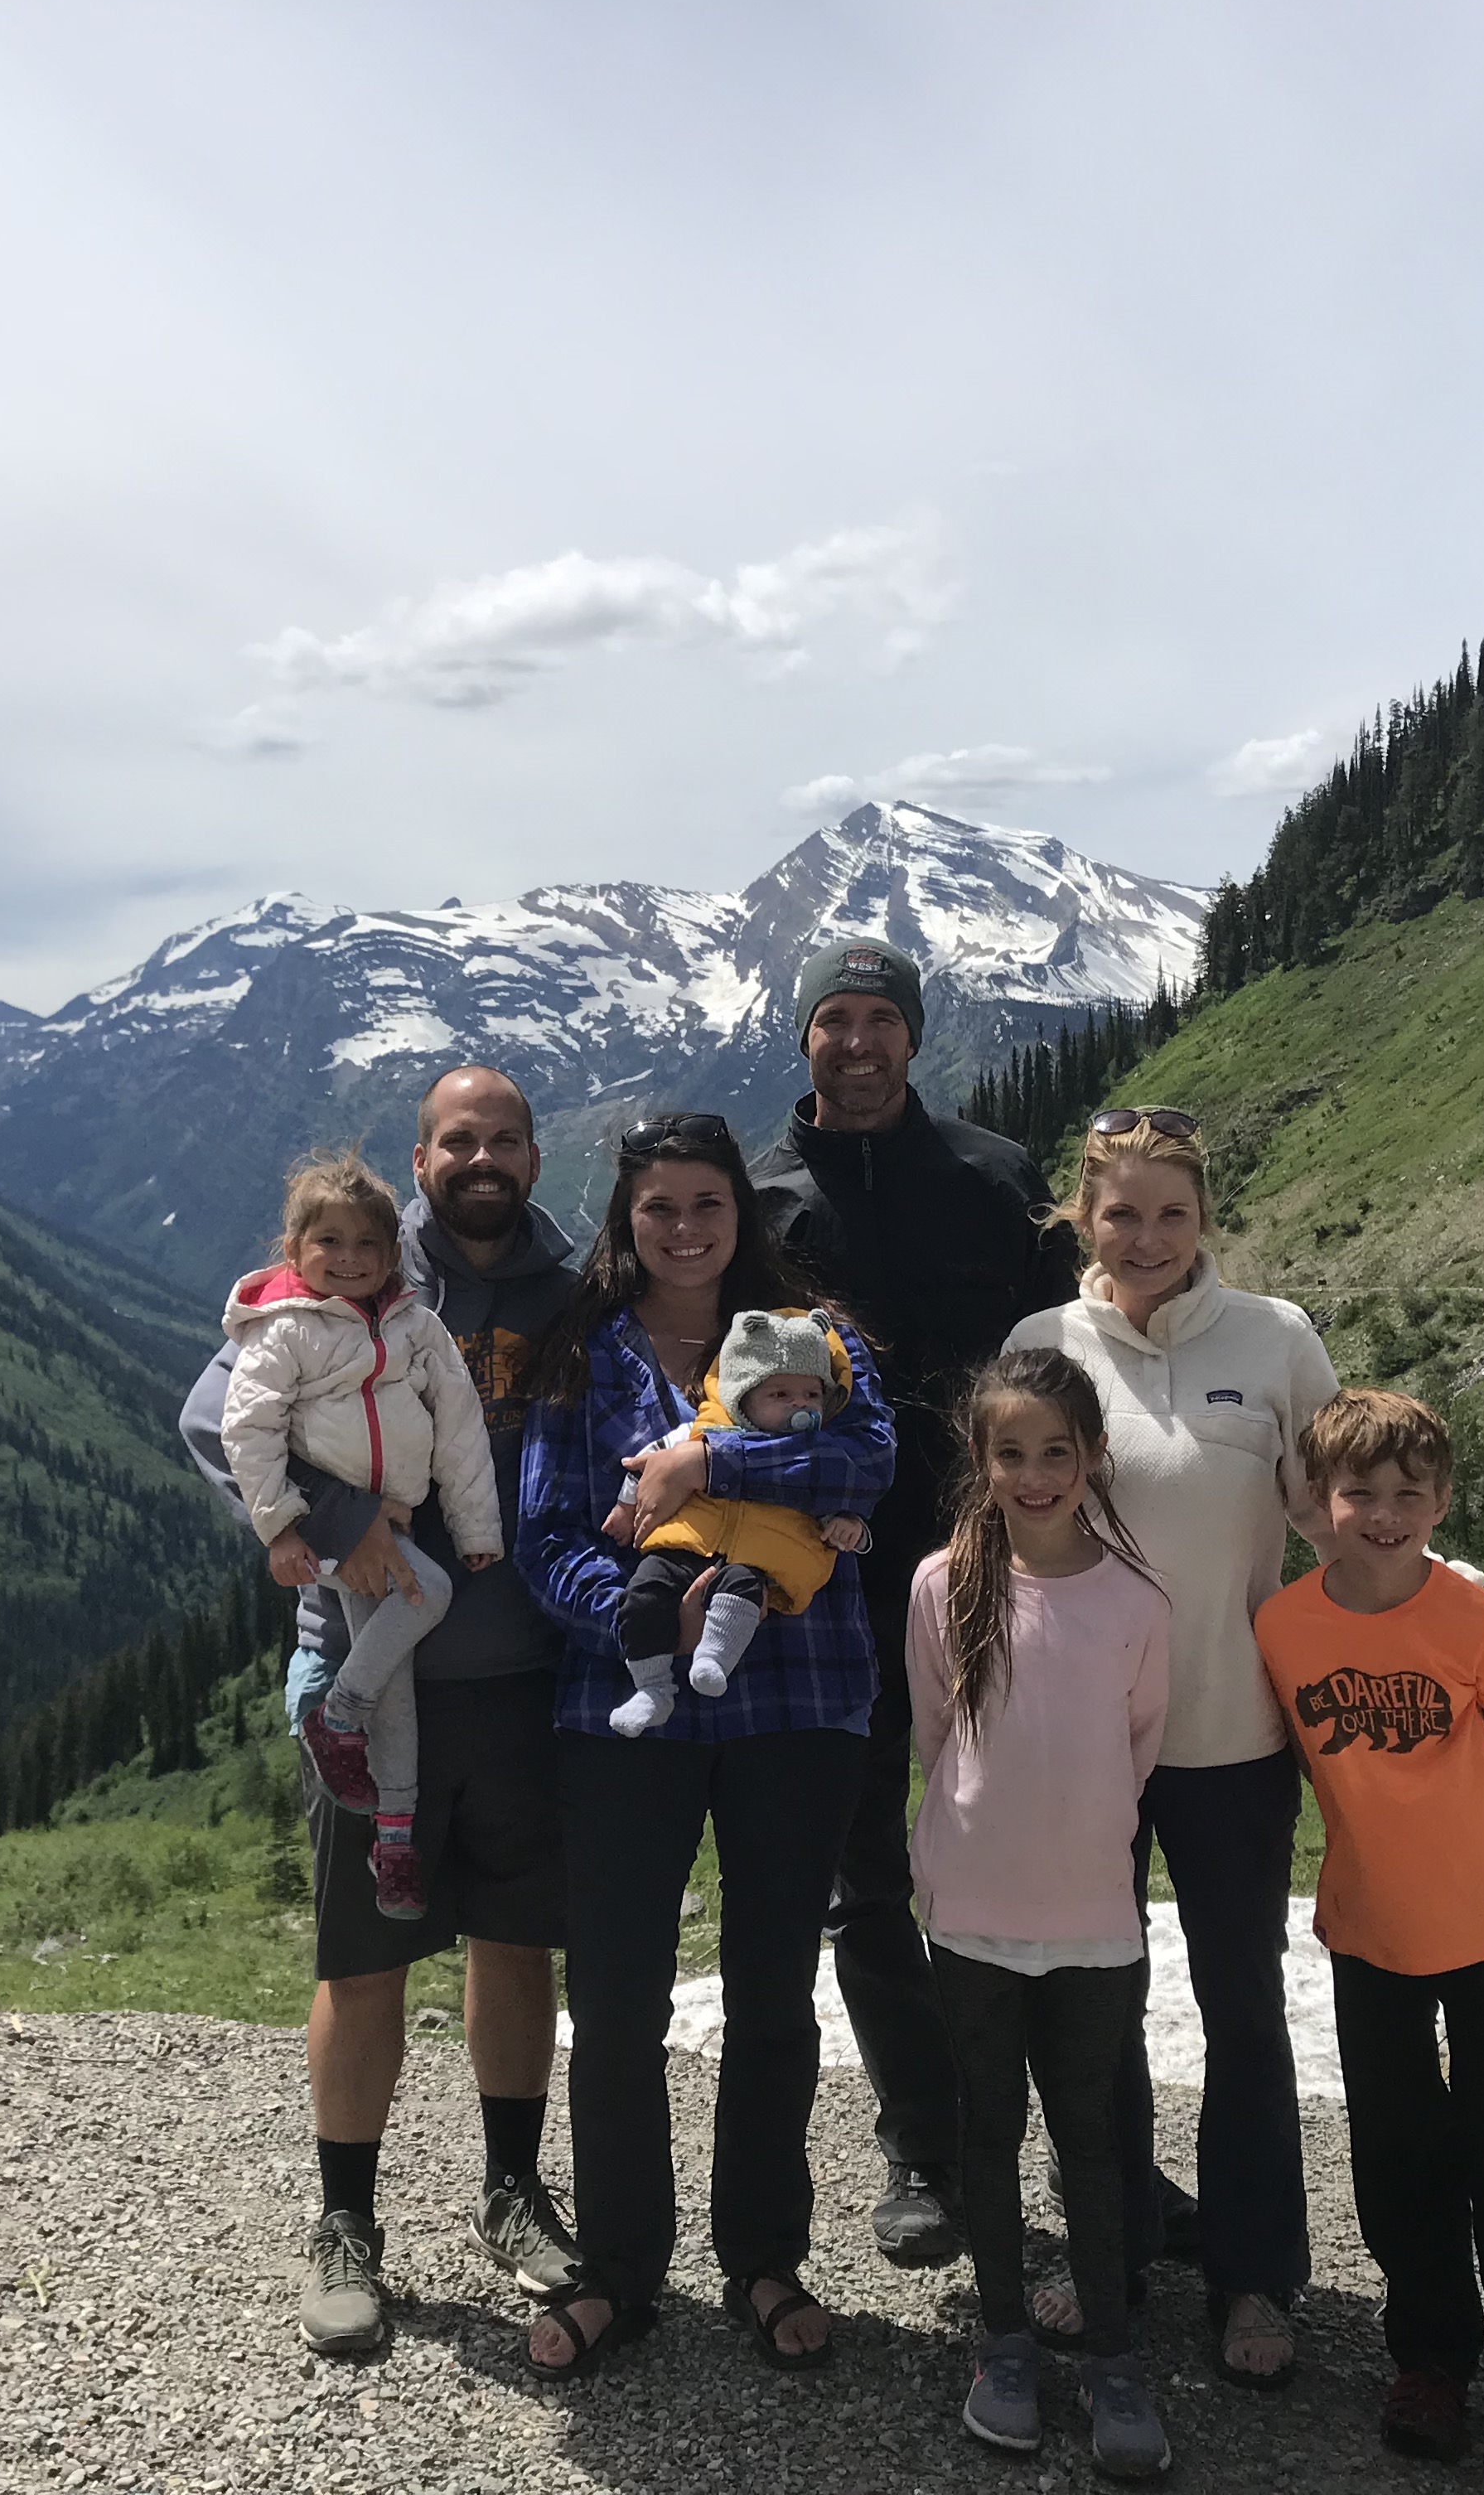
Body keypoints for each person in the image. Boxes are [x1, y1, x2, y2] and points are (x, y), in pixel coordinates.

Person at [176, 1066, 579, 2357]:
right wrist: (343, 1522)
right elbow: (212, 1416)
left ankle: (512, 2193)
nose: (482, 1160)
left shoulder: (571, 1293)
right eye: (458, 1141)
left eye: (504, 1140)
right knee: (361, 1962)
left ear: (533, 1157)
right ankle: (346, 2225)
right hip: (366, 1678)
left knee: (515, 1945)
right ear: (422, 1161)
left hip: (519, 1680)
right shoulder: (346, 1273)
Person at [513, 1111, 894, 2380]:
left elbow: (869, 1459)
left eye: (706, 1203)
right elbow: (544, 1537)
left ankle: (764, 2258)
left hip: (803, 1699)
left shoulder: (815, 1334)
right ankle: (621, 2270)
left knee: (772, 1994)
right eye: (658, 1206)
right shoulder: (582, 1351)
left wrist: (704, 1462)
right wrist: (634, 1619)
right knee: (615, 1996)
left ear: (744, 1209)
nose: (683, 1228)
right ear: (626, 1218)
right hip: (624, 1706)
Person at [751, 936, 1074, 2266]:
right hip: (828, 1592)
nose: (859, 1042)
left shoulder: (997, 1179)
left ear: (914, 1036)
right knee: (868, 1880)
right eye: (835, 1019)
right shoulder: (761, 1203)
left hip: (998, 1573)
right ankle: (926, 2154)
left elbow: (1068, 1370)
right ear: (804, 1037)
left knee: (1040, 1859)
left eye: (881, 1019)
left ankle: (1092, 2148)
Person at [1003, 1106, 1337, 2391]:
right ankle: (1116, 2256)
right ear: (1082, 1217)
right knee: (1097, 2012)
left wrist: (1433, 1611)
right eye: (1122, 1213)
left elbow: (1336, 1511)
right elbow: (1008, 1517)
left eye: (1172, 1215)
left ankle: (1253, 2273)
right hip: (1084, 1738)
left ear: (1206, 1221)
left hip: (1234, 1733)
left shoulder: (1276, 1337)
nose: (1147, 1238)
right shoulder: (1046, 1345)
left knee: (1242, 2008)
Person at [1258, 1390, 1484, 2495]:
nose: (1385, 1514)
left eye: (1410, 1493)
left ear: (1443, 1501)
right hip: (1368, 1933)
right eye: (1360, 1492)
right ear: (1320, 1500)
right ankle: (1431, 2360)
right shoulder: (1284, 1626)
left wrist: (1464, 1862)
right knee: (1398, 2158)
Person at [908, 1347, 1175, 2478]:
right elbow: (937, 1736)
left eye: (1056, 1453)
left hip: (1093, 1923)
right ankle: (1005, 2342)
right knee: (990, 2128)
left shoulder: (1136, 1601)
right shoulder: (941, 1586)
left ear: (1093, 1458)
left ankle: (1113, 2355)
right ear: (981, 1461)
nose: (1035, 1475)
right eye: (1010, 1454)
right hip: (971, 1912)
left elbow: (1139, 1747)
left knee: (1090, 2138)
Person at [218, 1149, 508, 1919]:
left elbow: (460, 1428)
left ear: (392, 1253)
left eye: (367, 1244)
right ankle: (338, 1716)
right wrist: (284, 1528)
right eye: (329, 1242)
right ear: (294, 1250)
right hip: (332, 1528)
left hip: (394, 1519)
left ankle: (395, 1840)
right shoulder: (283, 1331)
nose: (349, 1259)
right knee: (428, 1595)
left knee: (397, 1688)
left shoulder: (415, 1326)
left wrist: (476, 1525)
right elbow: (246, 1430)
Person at [605, 1306, 875, 1734]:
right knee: (645, 1592)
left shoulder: (814, 1456)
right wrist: (625, 1507)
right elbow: (644, 1465)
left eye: (812, 1395)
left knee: (743, 1589)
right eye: (780, 1395)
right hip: (684, 1548)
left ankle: (714, 1658)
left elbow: (840, 1498)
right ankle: (651, 1687)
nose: (800, 1405)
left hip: (754, 1564)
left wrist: (852, 1528)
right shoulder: (700, 1432)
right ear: (744, 1397)